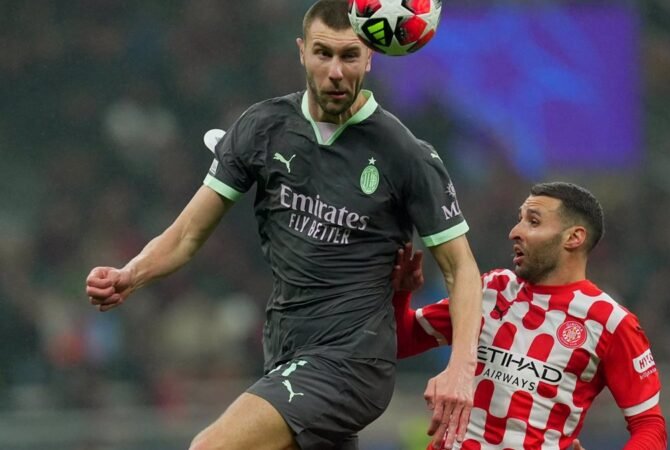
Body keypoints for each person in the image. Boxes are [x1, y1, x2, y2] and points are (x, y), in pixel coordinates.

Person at [85, 1, 482, 449]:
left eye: (349, 56)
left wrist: (460, 368)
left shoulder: (406, 155)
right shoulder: (262, 128)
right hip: (286, 353)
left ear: (370, 57)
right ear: (301, 51)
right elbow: (187, 234)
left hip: (351, 362)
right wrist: (130, 274)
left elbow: (462, 269)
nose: (335, 70)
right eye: (322, 53)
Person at [391, 182, 668, 449]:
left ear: (574, 237)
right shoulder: (491, 289)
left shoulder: (610, 321)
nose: (515, 231)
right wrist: (401, 294)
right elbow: (400, 342)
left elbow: (650, 425)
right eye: (519, 219)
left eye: (533, 222)